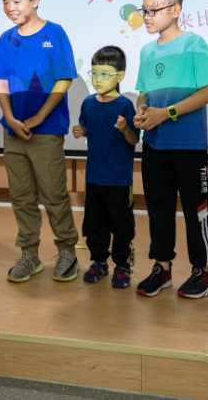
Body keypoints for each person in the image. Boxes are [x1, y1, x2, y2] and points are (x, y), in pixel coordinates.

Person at [133, 0, 208, 299]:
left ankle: (206, 272)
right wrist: (142, 110)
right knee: (158, 207)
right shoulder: (146, 51)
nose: (146, 16)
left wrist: (167, 113)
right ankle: (162, 267)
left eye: (152, 10)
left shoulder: (194, 44)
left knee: (196, 209)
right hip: (154, 143)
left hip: (188, 145)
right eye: (143, 10)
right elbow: (143, 92)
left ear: (175, 9)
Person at [0, 0, 80, 282]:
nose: (10, 7)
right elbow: (1, 82)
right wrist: (10, 118)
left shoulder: (55, 33)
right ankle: (29, 255)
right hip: (14, 130)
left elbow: (65, 77)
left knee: (54, 194)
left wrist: (39, 117)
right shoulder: (6, 39)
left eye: (16, 1)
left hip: (46, 130)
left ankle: (67, 251)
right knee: (21, 196)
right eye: (6, 2)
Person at [72, 46, 140, 288]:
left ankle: (123, 266)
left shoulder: (125, 105)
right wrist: (81, 131)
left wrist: (125, 129)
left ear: (120, 76)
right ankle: (99, 261)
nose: (98, 79)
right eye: (94, 73)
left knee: (121, 225)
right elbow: (88, 129)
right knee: (95, 222)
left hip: (119, 179)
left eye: (105, 74)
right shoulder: (88, 102)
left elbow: (134, 139)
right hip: (94, 176)